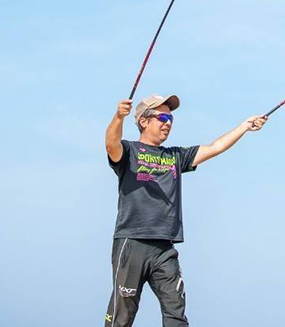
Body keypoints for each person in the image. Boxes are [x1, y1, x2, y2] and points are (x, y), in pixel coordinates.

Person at [104, 93, 266, 326]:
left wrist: (244, 126)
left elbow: (215, 147)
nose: (167, 123)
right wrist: (118, 117)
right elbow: (111, 144)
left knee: (176, 315)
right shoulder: (129, 151)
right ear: (143, 121)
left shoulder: (175, 156)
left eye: (170, 119)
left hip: (165, 248)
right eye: (161, 117)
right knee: (122, 316)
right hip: (132, 242)